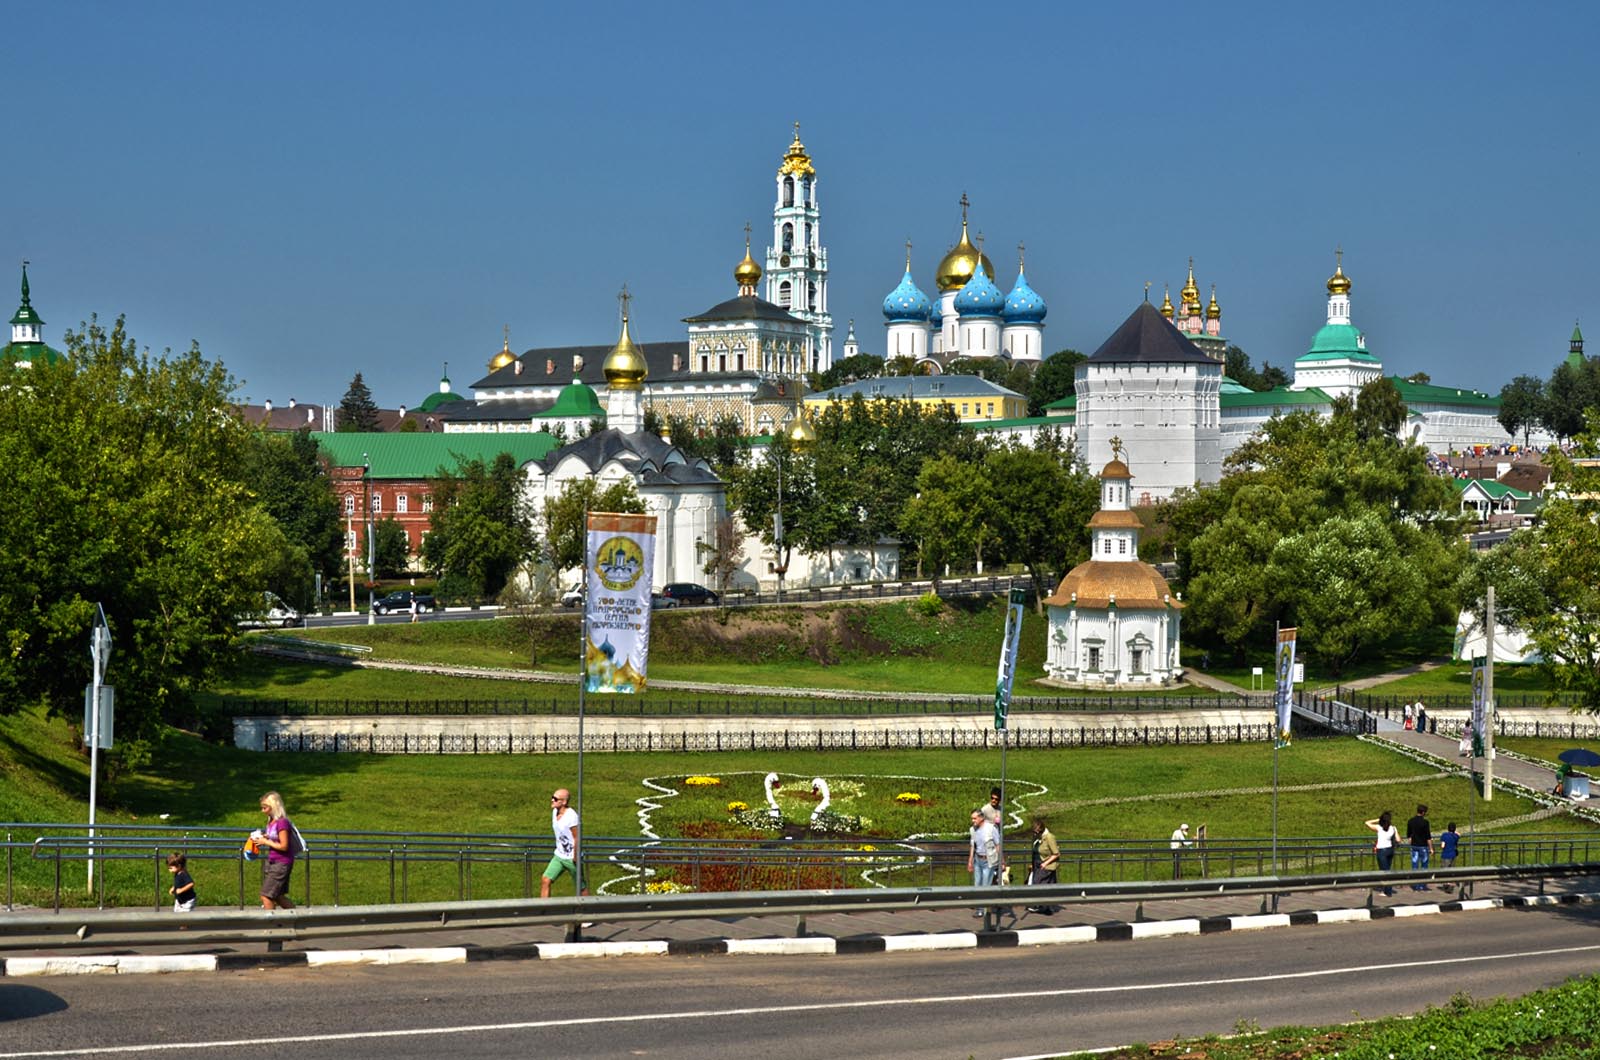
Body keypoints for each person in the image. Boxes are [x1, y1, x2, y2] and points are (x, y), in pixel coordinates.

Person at [540, 788, 588, 898]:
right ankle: (543, 910)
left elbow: (577, 837)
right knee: (545, 880)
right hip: (559, 856)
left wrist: (576, 856)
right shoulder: (554, 812)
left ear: (564, 802)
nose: (552, 800)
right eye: (552, 797)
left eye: (555, 799)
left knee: (581, 887)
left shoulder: (572, 817)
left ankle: (589, 909)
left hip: (571, 858)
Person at [254, 790, 296, 910]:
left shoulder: (282, 822)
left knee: (266, 896)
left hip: (281, 863)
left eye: (265, 808)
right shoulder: (271, 822)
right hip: (272, 861)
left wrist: (266, 842)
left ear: (273, 806)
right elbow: (275, 838)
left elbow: (284, 846)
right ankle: (294, 918)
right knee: (278, 896)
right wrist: (264, 837)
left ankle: (272, 924)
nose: (263, 811)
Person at [967, 809, 1001, 917]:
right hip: (978, 859)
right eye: (972, 818)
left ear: (981, 818)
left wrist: (1002, 861)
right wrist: (970, 861)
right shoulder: (973, 830)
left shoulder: (991, 828)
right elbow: (973, 845)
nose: (973, 821)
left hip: (988, 861)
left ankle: (985, 909)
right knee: (977, 885)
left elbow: (998, 845)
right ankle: (979, 909)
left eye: (975, 818)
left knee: (986, 885)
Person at [1026, 817, 1059, 915]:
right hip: (1037, 864)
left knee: (1038, 884)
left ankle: (1039, 905)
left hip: (1045, 865)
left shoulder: (1049, 837)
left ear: (1041, 830)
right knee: (1046, 886)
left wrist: (1045, 863)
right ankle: (1045, 907)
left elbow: (1056, 854)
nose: (1035, 834)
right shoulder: (1037, 837)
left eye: (1036, 832)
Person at [1365, 810, 1398, 896]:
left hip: (1381, 851)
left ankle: (1387, 891)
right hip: (1390, 850)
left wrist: (1377, 819)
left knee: (1384, 872)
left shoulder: (1379, 827)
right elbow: (1398, 839)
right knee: (1388, 870)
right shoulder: (1393, 828)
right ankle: (1387, 890)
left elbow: (1367, 822)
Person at [1406, 803, 1433, 891]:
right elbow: (1428, 837)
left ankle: (1416, 885)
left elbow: (1409, 835)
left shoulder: (1410, 821)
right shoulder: (1425, 822)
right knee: (1424, 866)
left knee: (1415, 866)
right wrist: (1431, 848)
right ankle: (1422, 885)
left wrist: (1411, 843)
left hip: (1414, 845)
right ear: (1423, 812)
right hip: (1423, 846)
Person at [1439, 821, 1460, 892]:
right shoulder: (1455, 836)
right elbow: (1458, 834)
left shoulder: (1444, 835)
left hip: (1445, 854)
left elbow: (1442, 846)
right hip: (1453, 854)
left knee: (1445, 870)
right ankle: (1450, 884)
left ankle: (1446, 884)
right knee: (1451, 870)